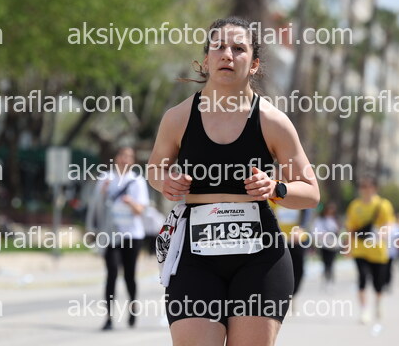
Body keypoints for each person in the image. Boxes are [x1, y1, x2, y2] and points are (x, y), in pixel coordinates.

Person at [148, 17, 319, 346]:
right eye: (219, 47)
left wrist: (276, 188)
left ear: (253, 64)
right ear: (206, 60)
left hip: (261, 258)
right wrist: (165, 181)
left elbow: (311, 192)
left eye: (239, 48)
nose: (228, 54)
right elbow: (155, 169)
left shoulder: (272, 121)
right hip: (195, 255)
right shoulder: (178, 117)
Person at [86, 146, 149, 330]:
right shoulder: (105, 178)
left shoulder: (137, 181)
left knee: (129, 275)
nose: (125, 159)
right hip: (110, 235)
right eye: (122, 155)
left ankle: (132, 308)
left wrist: (131, 203)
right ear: (115, 157)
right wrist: (103, 192)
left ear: (133, 161)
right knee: (112, 273)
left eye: (129, 156)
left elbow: (141, 210)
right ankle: (108, 317)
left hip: (132, 235)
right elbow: (96, 206)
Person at [345, 177, 395, 325]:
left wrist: (384, 232)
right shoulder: (355, 205)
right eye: (363, 187)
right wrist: (348, 246)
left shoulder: (383, 204)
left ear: (374, 188)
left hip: (377, 250)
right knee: (362, 277)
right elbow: (351, 228)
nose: (365, 190)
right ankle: (364, 310)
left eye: (368, 186)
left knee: (378, 282)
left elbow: (389, 222)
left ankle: (378, 304)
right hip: (360, 248)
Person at [313, 202, 341, 289]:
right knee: (325, 263)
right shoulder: (320, 220)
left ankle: (330, 280)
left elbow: (338, 231)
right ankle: (326, 279)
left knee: (331, 263)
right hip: (323, 245)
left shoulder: (335, 220)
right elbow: (315, 232)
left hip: (333, 246)